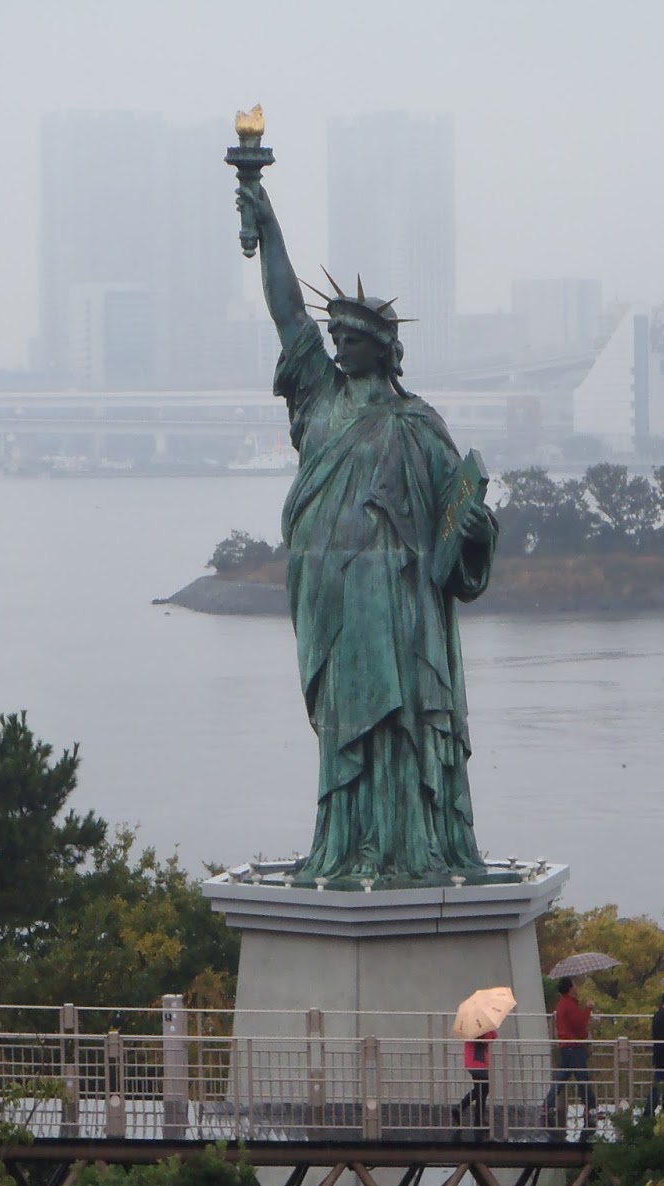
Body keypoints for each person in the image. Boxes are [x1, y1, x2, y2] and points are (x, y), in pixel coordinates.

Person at [235, 182, 496, 882]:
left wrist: (476, 532)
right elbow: (289, 313)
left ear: (383, 351)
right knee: (343, 722)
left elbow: (456, 522)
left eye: (353, 341)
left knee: (397, 720)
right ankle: (346, 841)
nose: (340, 348)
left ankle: (405, 842)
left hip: (398, 602)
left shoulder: (419, 425)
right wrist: (268, 222)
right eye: (337, 340)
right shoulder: (319, 397)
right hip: (329, 593)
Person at [544, 978, 597, 1129]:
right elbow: (579, 1025)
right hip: (574, 1047)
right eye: (574, 985)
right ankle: (590, 1107)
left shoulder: (562, 1004)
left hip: (566, 1046)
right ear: (569, 989)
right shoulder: (569, 1005)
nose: (576, 988)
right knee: (583, 1077)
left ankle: (547, 1104)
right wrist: (588, 1009)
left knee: (562, 1077)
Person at [455, 1029, 497, 1134]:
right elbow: (491, 1037)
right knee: (483, 1089)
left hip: (471, 1062)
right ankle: (474, 1117)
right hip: (479, 1062)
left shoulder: (470, 1028)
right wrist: (491, 1029)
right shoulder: (482, 1028)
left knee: (480, 1090)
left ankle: (473, 1116)